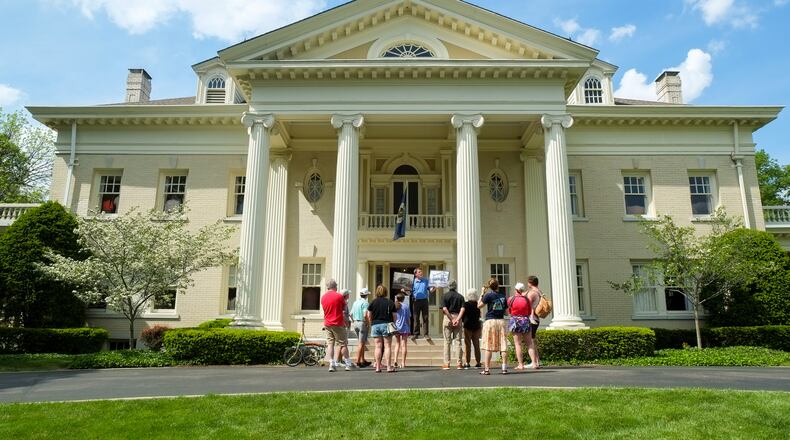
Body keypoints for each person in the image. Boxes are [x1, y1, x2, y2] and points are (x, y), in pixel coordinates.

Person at [321, 279, 353, 372]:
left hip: (327, 323)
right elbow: (344, 309)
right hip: (338, 323)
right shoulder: (339, 296)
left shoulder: (323, 297)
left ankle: (331, 363)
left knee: (330, 344)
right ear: (335, 286)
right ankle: (347, 363)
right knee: (343, 344)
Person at [477, 278, 508, 375]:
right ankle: (504, 368)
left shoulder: (488, 295)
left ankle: (486, 369)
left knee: (488, 346)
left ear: (489, 287)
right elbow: (506, 312)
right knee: (503, 345)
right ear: (498, 285)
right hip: (501, 321)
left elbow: (479, 305)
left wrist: (482, 293)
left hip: (490, 321)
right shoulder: (503, 296)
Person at [366, 285, 397, 373]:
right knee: (387, 346)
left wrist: (371, 322)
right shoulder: (390, 302)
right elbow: (395, 316)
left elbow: (368, 315)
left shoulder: (373, 302)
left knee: (378, 347)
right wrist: (393, 323)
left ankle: (378, 367)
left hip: (375, 324)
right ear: (386, 292)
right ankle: (388, 367)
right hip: (387, 324)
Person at [441, 280, 465, 370]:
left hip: (448, 317)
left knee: (447, 342)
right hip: (458, 316)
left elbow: (444, 308)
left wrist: (451, 319)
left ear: (448, 286)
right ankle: (459, 363)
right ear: (456, 286)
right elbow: (462, 309)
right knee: (458, 341)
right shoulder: (460, 297)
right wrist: (457, 319)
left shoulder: (444, 296)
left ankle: (446, 363)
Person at [508, 282, 532, 370]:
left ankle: (521, 364)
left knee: (518, 344)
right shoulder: (526, 299)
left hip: (515, 320)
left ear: (516, 290)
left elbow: (509, 310)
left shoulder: (511, 299)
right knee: (529, 343)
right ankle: (534, 363)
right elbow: (529, 312)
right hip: (525, 320)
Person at [407, 268, 435, 342]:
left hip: (424, 301)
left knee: (425, 318)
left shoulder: (426, 280)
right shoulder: (412, 282)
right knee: (416, 318)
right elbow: (410, 293)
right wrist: (404, 291)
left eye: (421, 272)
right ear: (415, 274)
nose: (421, 273)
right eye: (419, 272)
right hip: (416, 301)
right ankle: (416, 334)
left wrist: (435, 287)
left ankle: (426, 334)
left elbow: (431, 290)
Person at [350, 288, 372, 368]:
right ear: (366, 295)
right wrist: (368, 323)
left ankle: (363, 360)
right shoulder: (365, 303)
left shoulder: (355, 302)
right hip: (362, 323)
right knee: (361, 343)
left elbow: (350, 314)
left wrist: (353, 321)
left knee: (361, 342)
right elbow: (365, 315)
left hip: (355, 322)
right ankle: (358, 361)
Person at [461, 288, 482, 369]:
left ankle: (467, 362)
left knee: (467, 345)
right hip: (476, 326)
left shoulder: (465, 304)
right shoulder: (477, 304)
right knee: (476, 344)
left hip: (467, 325)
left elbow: (463, 314)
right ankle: (478, 362)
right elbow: (479, 315)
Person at [525, 275, 543, 369]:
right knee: (533, 340)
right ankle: (537, 361)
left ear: (530, 283)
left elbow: (526, 304)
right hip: (536, 318)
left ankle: (534, 362)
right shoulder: (539, 291)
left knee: (531, 340)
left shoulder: (532, 293)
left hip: (532, 318)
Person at [393, 293, 411, 369]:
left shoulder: (394, 306)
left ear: (397, 298)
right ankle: (403, 362)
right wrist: (409, 326)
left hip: (397, 327)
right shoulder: (406, 306)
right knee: (404, 345)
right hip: (404, 327)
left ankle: (395, 360)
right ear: (403, 299)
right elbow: (408, 318)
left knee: (397, 344)